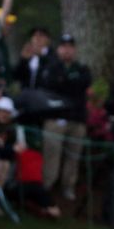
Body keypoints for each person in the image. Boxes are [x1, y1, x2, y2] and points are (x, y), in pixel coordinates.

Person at [40, 34, 92, 200]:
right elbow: (52, 85)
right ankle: (47, 186)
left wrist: (66, 82)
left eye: (70, 46)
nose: (67, 50)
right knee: (52, 154)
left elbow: (83, 83)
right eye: (64, 46)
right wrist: (68, 83)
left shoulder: (82, 68)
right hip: (56, 118)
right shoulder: (51, 67)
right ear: (58, 48)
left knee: (73, 156)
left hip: (77, 119)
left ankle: (68, 187)